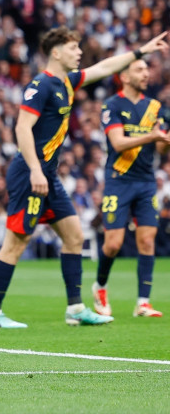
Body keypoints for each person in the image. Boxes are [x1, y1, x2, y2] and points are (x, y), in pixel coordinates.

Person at [0, 27, 168, 328]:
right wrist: (35, 169)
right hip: (31, 173)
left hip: (48, 175)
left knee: (74, 237)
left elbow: (104, 67)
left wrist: (140, 52)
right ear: (56, 52)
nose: (79, 52)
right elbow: (21, 128)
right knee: (16, 242)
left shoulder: (67, 81)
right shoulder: (40, 85)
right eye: (73, 48)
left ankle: (76, 309)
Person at [92, 58, 170, 318]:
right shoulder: (112, 106)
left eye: (147, 69)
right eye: (139, 69)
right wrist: (152, 135)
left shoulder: (154, 106)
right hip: (119, 180)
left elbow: (159, 147)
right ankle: (100, 286)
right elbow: (117, 143)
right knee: (113, 244)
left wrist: (166, 140)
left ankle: (143, 303)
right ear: (124, 77)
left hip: (146, 181)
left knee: (147, 240)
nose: (146, 73)